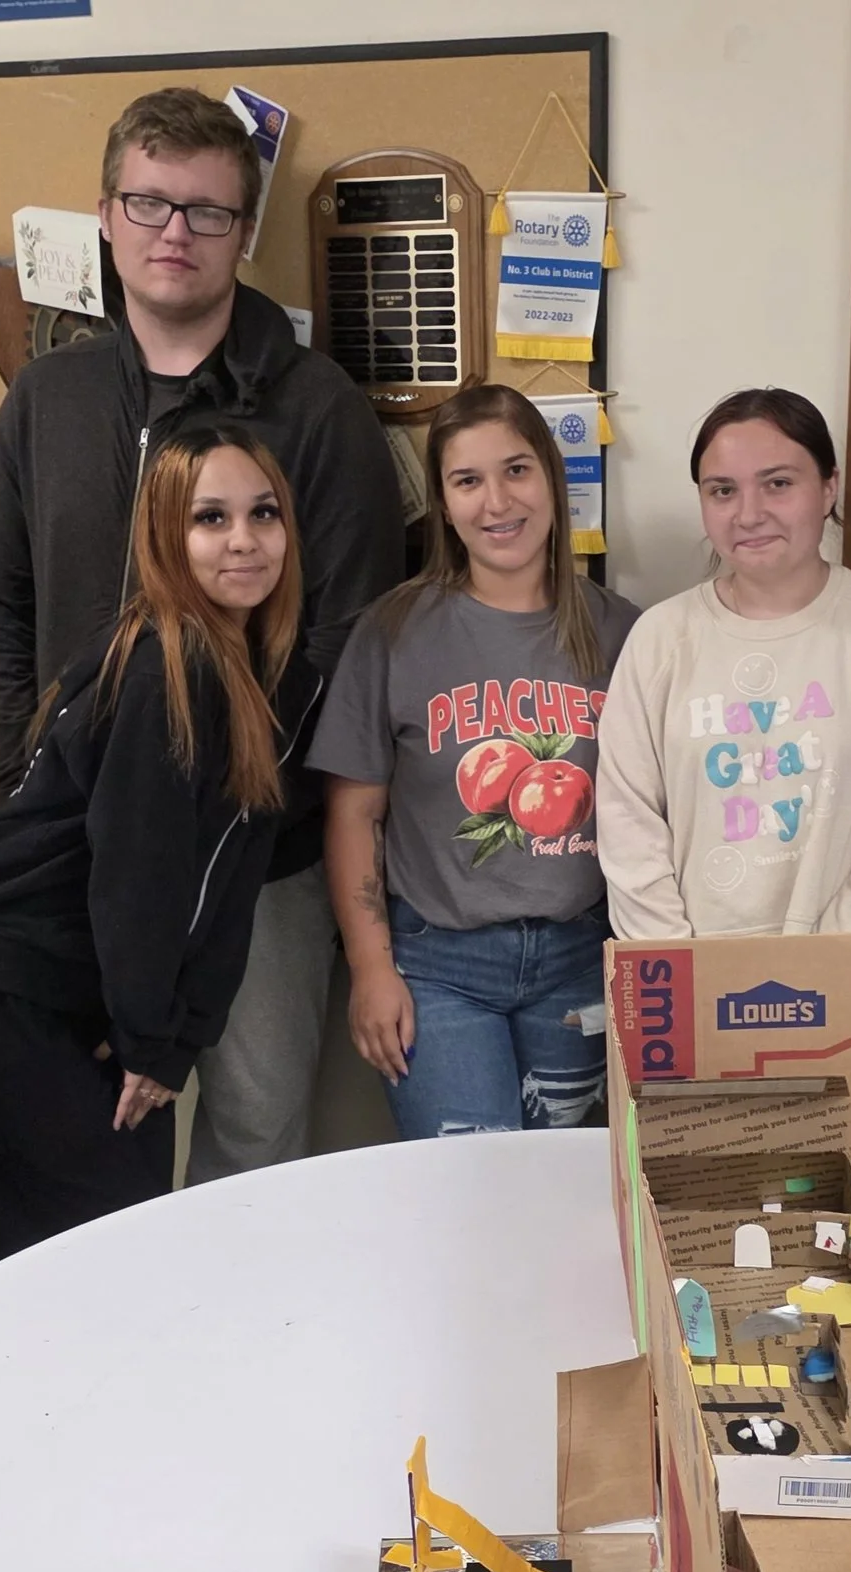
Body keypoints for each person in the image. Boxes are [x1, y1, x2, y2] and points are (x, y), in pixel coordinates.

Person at [0, 87, 401, 1182]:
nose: (174, 233)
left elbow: (349, 636)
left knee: (254, 1131)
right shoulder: (45, 399)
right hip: (70, 848)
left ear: (245, 233)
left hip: (261, 854)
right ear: (105, 214)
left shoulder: (317, 406)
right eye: (149, 204)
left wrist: (248, 801)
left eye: (206, 212)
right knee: (92, 1127)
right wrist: (27, 769)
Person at [0, 422, 320, 1256]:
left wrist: (172, 1034)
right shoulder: (165, 671)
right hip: (12, 988)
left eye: (264, 514)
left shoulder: (258, 671)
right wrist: (152, 1037)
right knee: (85, 1255)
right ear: (164, 537)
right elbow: (143, 874)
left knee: (127, 1233)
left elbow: (226, 878)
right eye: (210, 519)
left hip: (83, 994)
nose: (244, 541)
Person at [311, 384, 637, 1137]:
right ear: (445, 502)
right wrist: (370, 968)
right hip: (439, 966)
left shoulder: (622, 631)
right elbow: (354, 812)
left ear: (552, 478)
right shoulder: (393, 631)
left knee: (559, 1194)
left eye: (516, 470)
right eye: (468, 480)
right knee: (469, 1197)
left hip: (580, 958)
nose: (497, 501)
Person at [597, 388, 851, 938]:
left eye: (778, 484)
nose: (749, 514)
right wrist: (677, 965)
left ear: (829, 486)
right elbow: (628, 822)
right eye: (722, 491)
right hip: (691, 973)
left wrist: (821, 973)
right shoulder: (660, 639)